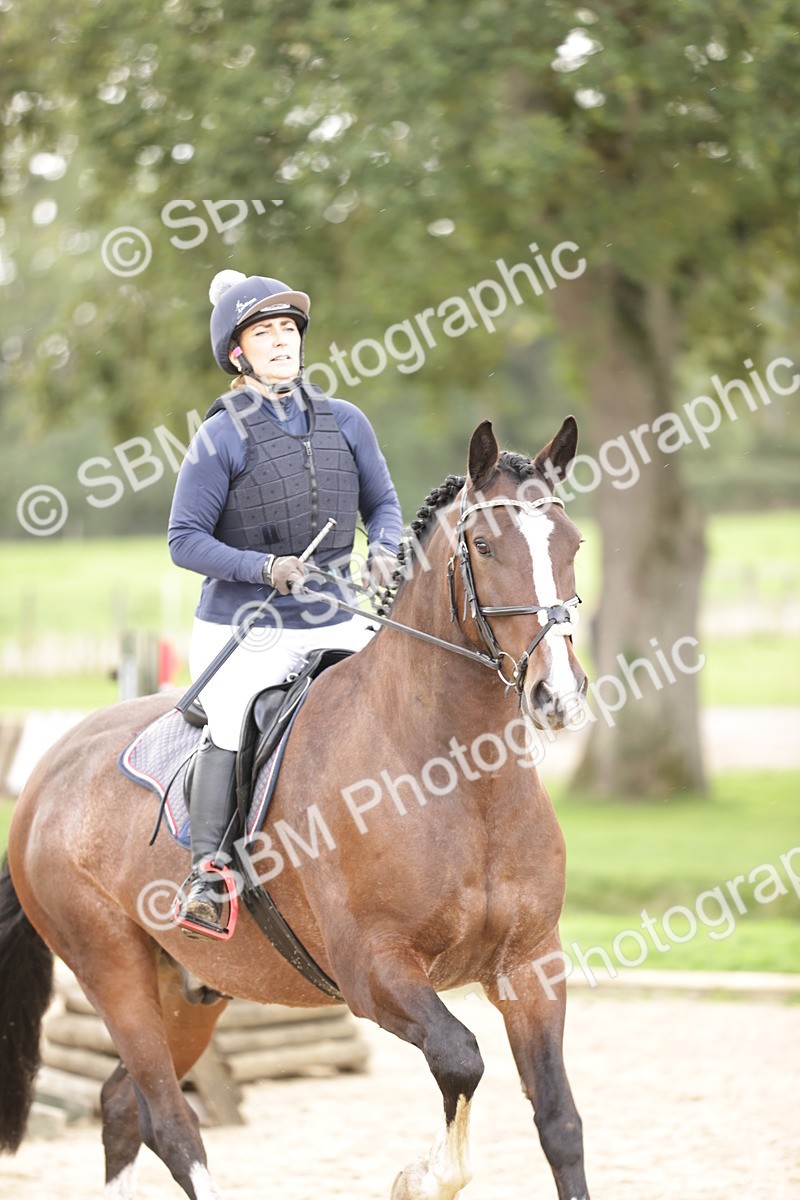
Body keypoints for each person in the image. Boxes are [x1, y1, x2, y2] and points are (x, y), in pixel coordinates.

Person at [168, 271, 403, 937]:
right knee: (234, 715)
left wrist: (384, 546)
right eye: (264, 333)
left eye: (288, 331)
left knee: (406, 690)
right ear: (238, 353)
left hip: (337, 612)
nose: (281, 342)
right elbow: (183, 539)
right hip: (246, 627)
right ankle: (209, 873)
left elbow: (382, 505)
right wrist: (263, 567)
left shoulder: (347, 422)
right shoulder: (220, 436)